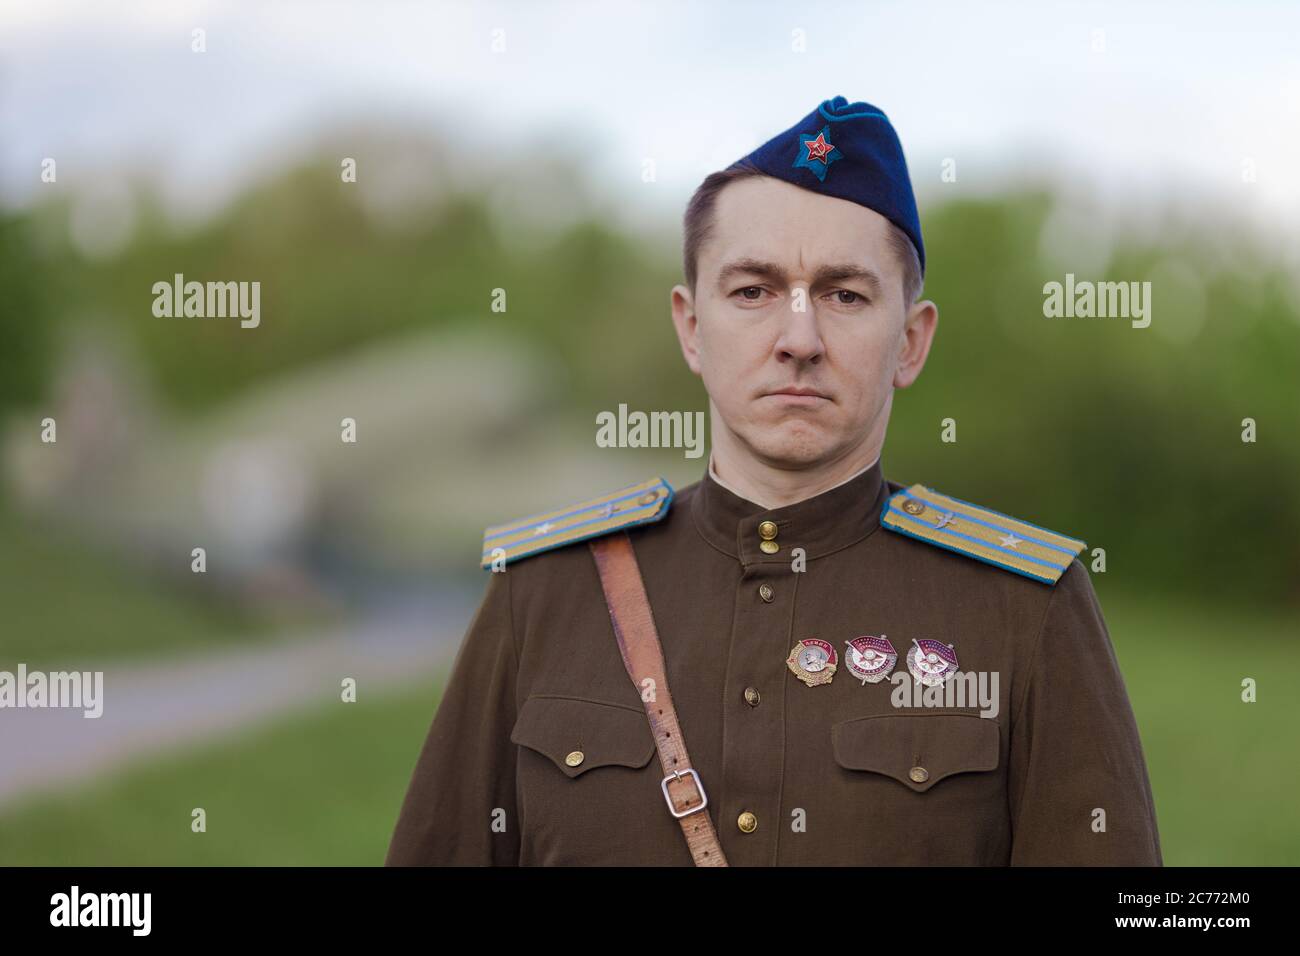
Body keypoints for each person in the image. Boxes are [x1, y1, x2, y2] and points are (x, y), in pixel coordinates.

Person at [385, 95, 1162, 866]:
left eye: (845, 295)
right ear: (692, 327)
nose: (799, 339)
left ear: (911, 343)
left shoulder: (1023, 608)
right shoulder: (544, 592)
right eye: (752, 291)